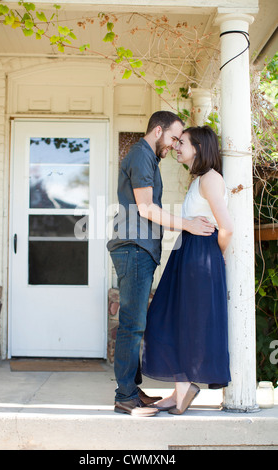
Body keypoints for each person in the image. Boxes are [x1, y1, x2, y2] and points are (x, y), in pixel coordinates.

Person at [107, 112, 215, 417]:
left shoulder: (147, 158)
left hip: (140, 250)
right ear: (158, 130)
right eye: (172, 139)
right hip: (134, 249)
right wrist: (187, 225)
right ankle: (124, 397)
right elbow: (146, 208)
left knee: (138, 321)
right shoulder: (142, 156)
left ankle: (132, 390)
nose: (173, 146)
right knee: (132, 323)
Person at [142, 125, 233, 415]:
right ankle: (180, 388)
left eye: (183, 143)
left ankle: (183, 389)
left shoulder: (211, 179)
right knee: (167, 318)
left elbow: (227, 227)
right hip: (187, 253)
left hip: (200, 254)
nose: (177, 147)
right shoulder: (198, 180)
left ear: (199, 147)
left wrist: (215, 255)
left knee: (188, 322)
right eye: (177, 142)